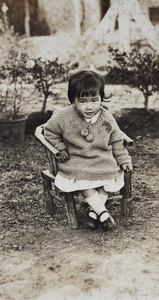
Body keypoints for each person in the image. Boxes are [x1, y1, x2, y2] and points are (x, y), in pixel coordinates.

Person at [44, 70, 133, 231]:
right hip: (76, 159)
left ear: (101, 98)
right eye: (83, 101)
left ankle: (94, 213)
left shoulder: (106, 118)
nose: (89, 106)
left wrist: (124, 159)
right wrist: (60, 147)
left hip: (101, 158)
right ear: (73, 101)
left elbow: (117, 139)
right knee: (82, 177)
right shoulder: (63, 116)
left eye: (94, 100)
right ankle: (103, 213)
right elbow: (49, 132)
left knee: (108, 178)